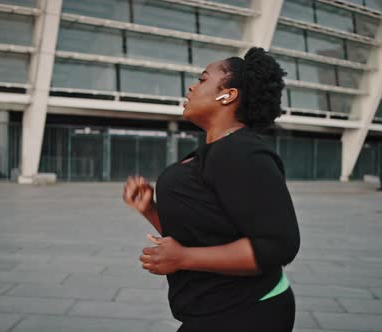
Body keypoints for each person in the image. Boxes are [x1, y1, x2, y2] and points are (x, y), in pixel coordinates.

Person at [122, 47, 300, 331]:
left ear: (227, 94)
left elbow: (277, 245)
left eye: (203, 79)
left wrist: (183, 258)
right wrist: (151, 209)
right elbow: (205, 231)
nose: (192, 86)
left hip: (247, 312)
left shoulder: (243, 152)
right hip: (214, 311)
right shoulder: (214, 150)